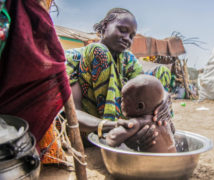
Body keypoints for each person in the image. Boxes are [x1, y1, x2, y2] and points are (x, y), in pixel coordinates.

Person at [65, 8, 173, 150]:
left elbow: (146, 86)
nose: (127, 38)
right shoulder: (73, 58)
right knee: (99, 51)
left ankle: (154, 131)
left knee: (161, 73)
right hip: (90, 130)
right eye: (122, 30)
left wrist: (164, 99)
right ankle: (120, 135)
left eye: (131, 35)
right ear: (104, 26)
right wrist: (115, 127)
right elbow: (72, 114)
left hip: (129, 127)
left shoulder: (128, 60)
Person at [106, 75, 176, 152]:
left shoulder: (137, 123)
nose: (120, 103)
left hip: (152, 163)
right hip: (173, 160)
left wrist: (116, 128)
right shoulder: (165, 122)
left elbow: (112, 139)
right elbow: (173, 131)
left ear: (139, 106)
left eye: (123, 100)